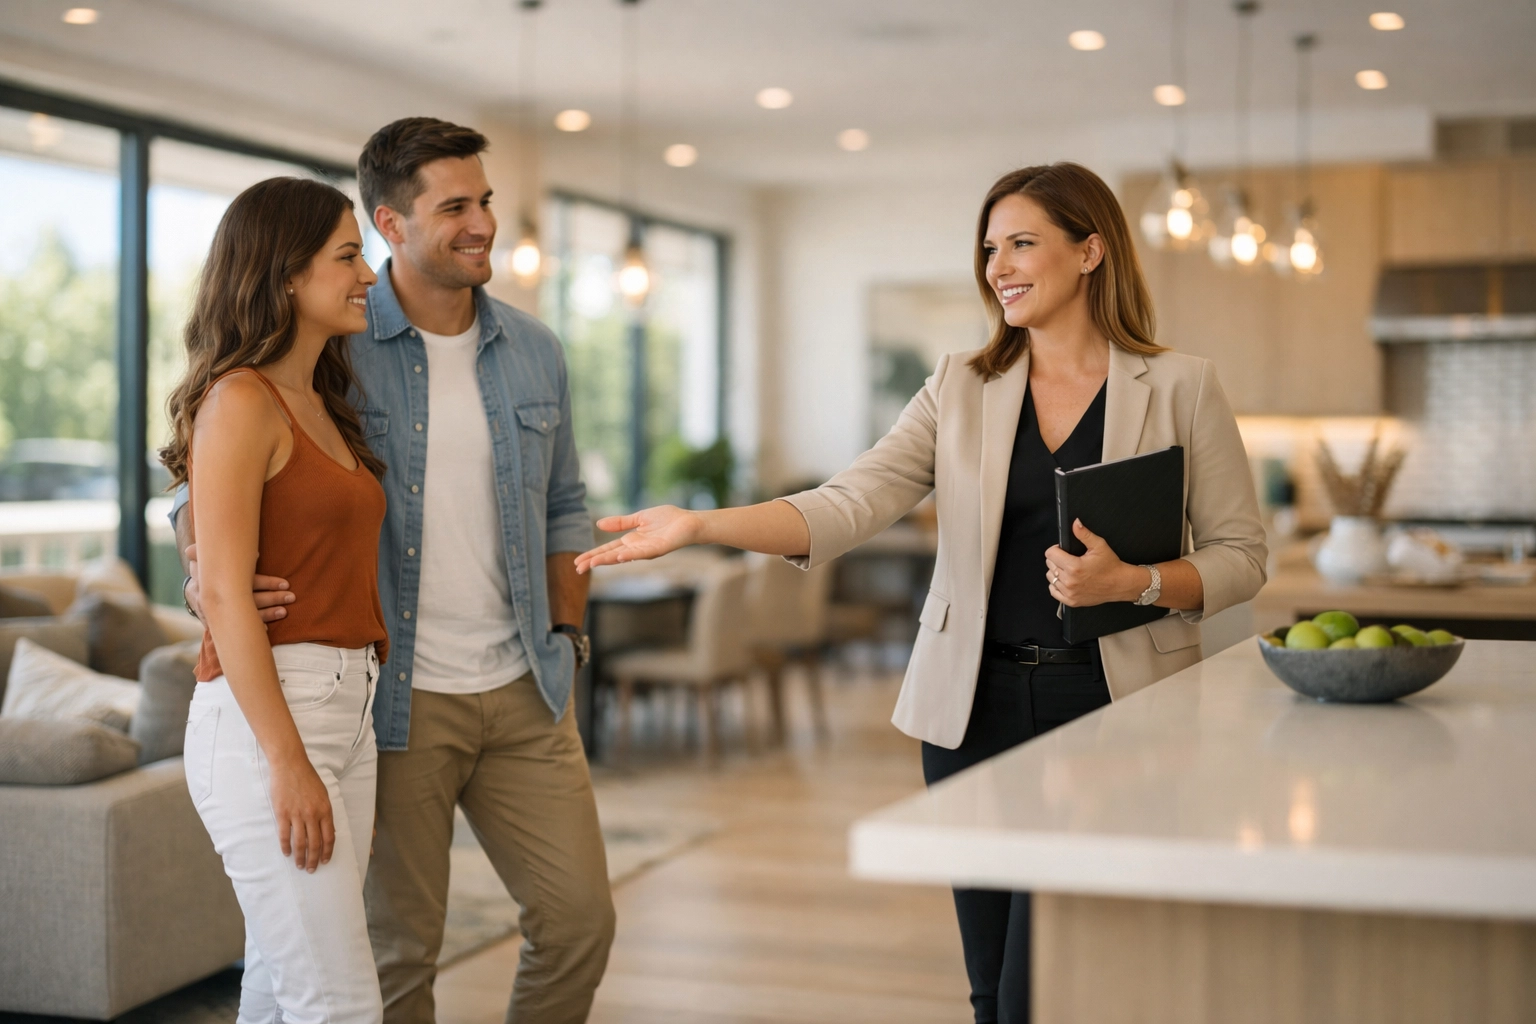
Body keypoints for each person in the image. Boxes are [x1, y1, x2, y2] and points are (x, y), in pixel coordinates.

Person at [575, 162, 1268, 1024]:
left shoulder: (1179, 386)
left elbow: (1243, 555)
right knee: (990, 982)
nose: (998, 267)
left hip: (1113, 706)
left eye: (1022, 243)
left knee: (1048, 980)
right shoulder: (961, 387)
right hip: (971, 710)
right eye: (989, 248)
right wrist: (704, 525)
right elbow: (846, 504)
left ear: (1091, 251)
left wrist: (1140, 582)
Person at [176, 117, 615, 1024]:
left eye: (485, 200)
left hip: (525, 682)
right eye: (455, 205)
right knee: (393, 955)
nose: (483, 222)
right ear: (392, 222)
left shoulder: (535, 350)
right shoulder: (336, 342)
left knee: (579, 923)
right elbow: (207, 488)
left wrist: (568, 636)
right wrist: (206, 582)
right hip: (398, 698)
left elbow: (566, 505)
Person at [165, 176, 388, 1023]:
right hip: (271, 720)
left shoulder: (321, 400)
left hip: (345, 709)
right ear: (287, 274)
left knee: (279, 989)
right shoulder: (240, 401)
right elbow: (223, 588)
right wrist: (287, 761)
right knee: (338, 1004)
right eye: (347, 255)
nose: (367, 273)